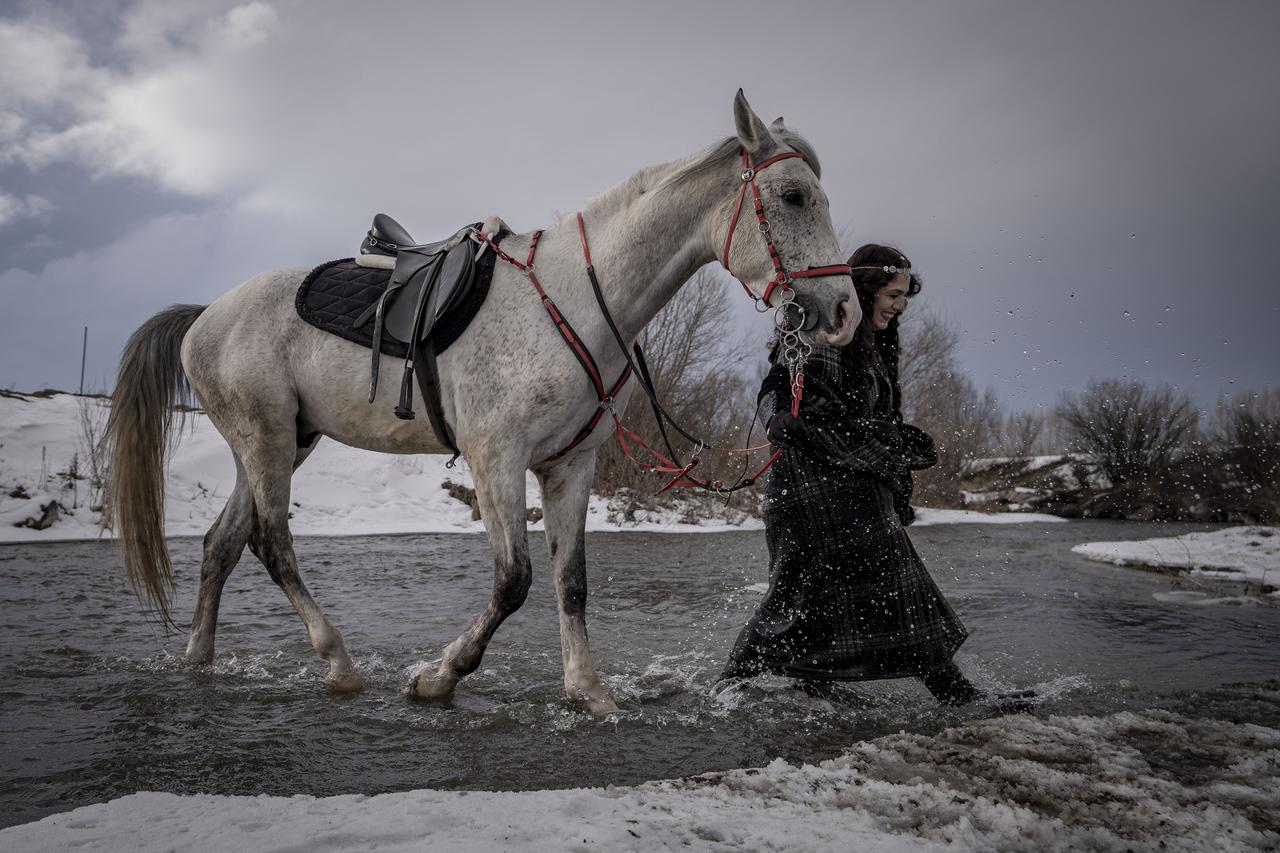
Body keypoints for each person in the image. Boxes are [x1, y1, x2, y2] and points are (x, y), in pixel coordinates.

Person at [720, 243, 1021, 708]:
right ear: (865, 289)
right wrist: (778, 415)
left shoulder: (873, 347)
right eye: (893, 295)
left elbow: (860, 418)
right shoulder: (827, 328)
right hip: (809, 491)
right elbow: (784, 387)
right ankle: (955, 694)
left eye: (904, 297)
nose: (900, 306)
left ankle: (788, 683)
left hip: (851, 489)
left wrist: (893, 443)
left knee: (844, 593)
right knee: (832, 591)